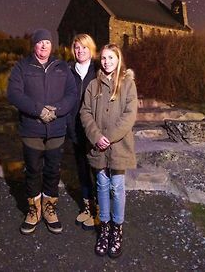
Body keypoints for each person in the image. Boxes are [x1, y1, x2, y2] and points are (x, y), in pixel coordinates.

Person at [7, 28, 76, 235]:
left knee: (53, 170)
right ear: (34, 45)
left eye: (47, 42)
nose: (44, 45)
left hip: (56, 128)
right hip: (32, 129)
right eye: (40, 42)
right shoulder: (22, 67)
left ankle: (49, 208)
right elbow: (14, 94)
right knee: (33, 170)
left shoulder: (62, 67)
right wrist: (38, 110)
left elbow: (72, 94)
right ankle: (33, 210)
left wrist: (57, 110)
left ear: (51, 45)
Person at [80, 43, 138, 258]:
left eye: (111, 58)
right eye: (103, 58)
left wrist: (109, 137)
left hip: (118, 146)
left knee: (117, 187)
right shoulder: (92, 86)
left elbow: (130, 115)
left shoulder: (127, 84)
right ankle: (104, 229)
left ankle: (117, 229)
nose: (107, 62)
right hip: (98, 147)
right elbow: (85, 113)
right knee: (102, 186)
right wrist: (96, 137)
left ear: (118, 59)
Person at [68, 34, 99, 230]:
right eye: (77, 47)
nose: (80, 51)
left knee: (97, 170)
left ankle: (100, 210)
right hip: (75, 127)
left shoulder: (98, 69)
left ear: (91, 49)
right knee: (82, 170)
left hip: (94, 128)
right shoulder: (68, 70)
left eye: (84, 47)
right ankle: (87, 207)